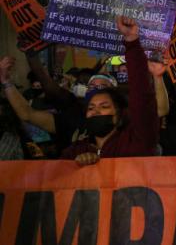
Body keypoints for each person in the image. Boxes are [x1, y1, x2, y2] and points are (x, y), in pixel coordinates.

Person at [60, 16, 160, 165]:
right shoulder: (74, 151)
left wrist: (132, 43)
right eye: (91, 108)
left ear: (119, 115)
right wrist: (75, 167)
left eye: (104, 106)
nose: (96, 111)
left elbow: (142, 97)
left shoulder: (136, 142)